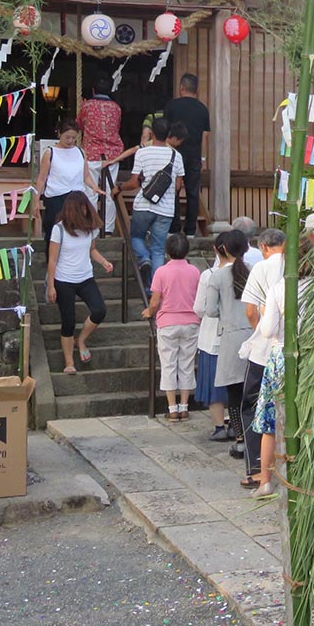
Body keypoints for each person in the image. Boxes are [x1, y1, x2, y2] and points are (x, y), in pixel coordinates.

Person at [249, 244, 313, 497]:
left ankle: (266, 480)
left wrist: (265, 313)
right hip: (309, 354)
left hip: (280, 354)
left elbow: (267, 331)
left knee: (270, 422)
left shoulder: (278, 289)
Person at [44, 191, 113, 375]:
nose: (84, 210)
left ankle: (81, 340)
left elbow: (92, 250)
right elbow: (52, 260)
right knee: (69, 321)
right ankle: (69, 362)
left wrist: (104, 261)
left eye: (85, 207)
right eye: (81, 207)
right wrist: (51, 285)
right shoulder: (58, 229)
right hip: (63, 279)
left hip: (85, 277)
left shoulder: (90, 229)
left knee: (99, 310)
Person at [238, 227, 286, 488]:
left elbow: (250, 311)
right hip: (294, 350)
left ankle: (257, 468)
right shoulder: (302, 266)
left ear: (264, 248)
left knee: (254, 408)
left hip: (266, 350)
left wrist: (261, 330)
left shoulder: (262, 267)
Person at [115, 117, 186, 293]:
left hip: (143, 206)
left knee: (136, 237)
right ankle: (154, 289)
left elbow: (133, 183)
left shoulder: (142, 153)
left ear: (152, 133)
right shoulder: (176, 156)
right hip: (166, 208)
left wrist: (119, 188)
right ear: (169, 134)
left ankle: (143, 258)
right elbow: (178, 186)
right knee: (158, 248)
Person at [142, 233, 201, 421]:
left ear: (167, 251)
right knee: (187, 364)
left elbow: (155, 301)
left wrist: (149, 312)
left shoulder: (161, 272)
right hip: (191, 321)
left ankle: (172, 407)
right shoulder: (194, 271)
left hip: (167, 322)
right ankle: (184, 406)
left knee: (168, 365)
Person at [193, 230, 235, 439]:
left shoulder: (209, 275)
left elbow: (200, 308)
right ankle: (236, 423)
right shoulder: (247, 271)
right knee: (236, 382)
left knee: (214, 383)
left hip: (212, 335)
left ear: (216, 250)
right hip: (238, 335)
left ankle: (219, 426)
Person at [35, 119, 102, 247]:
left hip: (77, 197)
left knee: (76, 232)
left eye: (73, 138)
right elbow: (42, 179)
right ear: (59, 133)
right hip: (56, 197)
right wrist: (36, 201)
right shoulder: (50, 153)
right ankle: (52, 262)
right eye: (67, 137)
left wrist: (94, 186)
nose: (70, 141)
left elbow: (86, 176)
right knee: (54, 234)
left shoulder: (81, 152)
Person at [77, 75, 125, 234]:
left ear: (93, 90)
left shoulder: (87, 106)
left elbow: (80, 125)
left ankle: (91, 226)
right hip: (112, 154)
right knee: (110, 191)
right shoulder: (117, 108)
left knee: (90, 190)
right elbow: (117, 127)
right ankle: (109, 227)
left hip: (91, 152)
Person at [165, 73, 210, 236]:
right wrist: (203, 157)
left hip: (173, 154)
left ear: (182, 87)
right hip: (194, 155)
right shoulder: (203, 109)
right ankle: (190, 230)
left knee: (172, 190)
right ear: (196, 90)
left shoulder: (172, 106)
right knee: (192, 192)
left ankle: (173, 228)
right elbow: (204, 135)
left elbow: (166, 131)